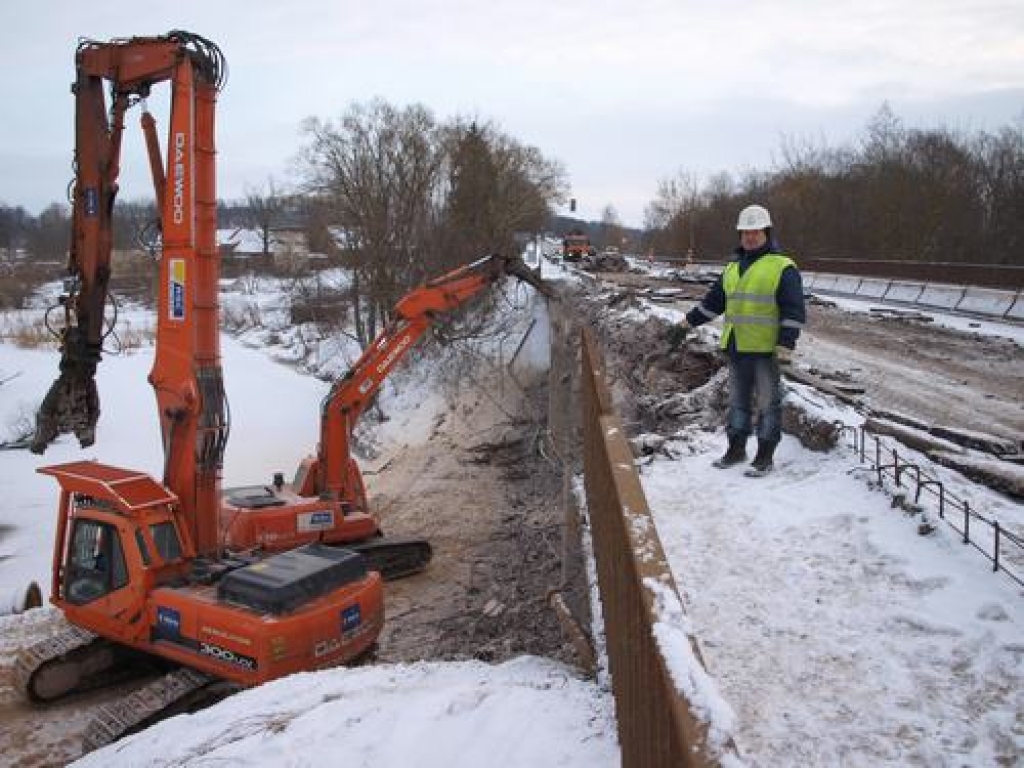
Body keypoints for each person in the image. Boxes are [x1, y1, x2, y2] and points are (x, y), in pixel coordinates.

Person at [677, 204, 806, 476]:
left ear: (766, 233)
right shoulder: (733, 268)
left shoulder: (783, 267)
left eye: (755, 232)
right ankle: (736, 450)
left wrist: (786, 345)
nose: (749, 237)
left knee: (768, 404)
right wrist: (687, 322)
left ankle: (764, 457)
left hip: (765, 350)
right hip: (737, 347)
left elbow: (793, 310)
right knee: (738, 402)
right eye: (745, 232)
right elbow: (714, 304)